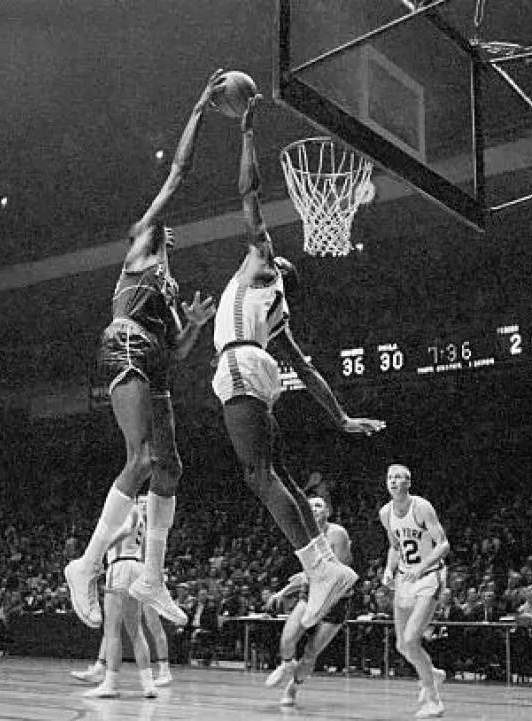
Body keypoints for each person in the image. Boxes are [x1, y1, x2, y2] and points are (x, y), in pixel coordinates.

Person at [211, 97, 385, 631]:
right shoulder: (279, 312)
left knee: (257, 474)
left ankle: (320, 567)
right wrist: (340, 419)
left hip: (241, 362)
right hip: (260, 369)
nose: (269, 249)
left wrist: (245, 134)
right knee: (279, 472)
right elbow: (307, 373)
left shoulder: (260, 269)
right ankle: (325, 565)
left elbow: (249, 193)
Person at [65, 70, 225, 630]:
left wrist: (197, 325)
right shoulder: (139, 248)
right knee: (140, 459)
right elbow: (178, 174)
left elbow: (179, 353)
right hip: (126, 347)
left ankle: (153, 576)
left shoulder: (169, 289)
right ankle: (83, 566)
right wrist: (200, 108)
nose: (164, 232)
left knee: (171, 467)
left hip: (155, 356)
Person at [264, 495, 353, 706]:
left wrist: (305, 577)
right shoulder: (303, 536)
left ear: (327, 511)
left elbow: (340, 569)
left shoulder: (337, 533)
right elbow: (307, 571)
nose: (314, 509)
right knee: (287, 638)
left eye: (319, 505)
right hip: (312, 593)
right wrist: (284, 591)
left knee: (311, 652)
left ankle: (292, 689)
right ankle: (286, 664)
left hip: (337, 598)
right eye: (310, 505)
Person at [380, 464, 451, 718]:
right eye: (390, 477)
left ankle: (433, 700)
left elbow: (443, 545)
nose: (394, 481)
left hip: (429, 575)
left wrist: (421, 568)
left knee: (411, 640)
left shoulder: (421, 507)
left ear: (409, 483)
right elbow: (395, 546)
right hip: (405, 577)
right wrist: (389, 569)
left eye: (399, 477)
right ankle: (433, 673)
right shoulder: (385, 512)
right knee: (402, 645)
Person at [82, 495, 158, 699]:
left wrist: (101, 548)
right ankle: (148, 684)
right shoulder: (144, 520)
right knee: (135, 630)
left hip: (120, 566)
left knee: (112, 630)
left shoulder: (129, 511)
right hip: (137, 568)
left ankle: (110, 684)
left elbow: (124, 531)